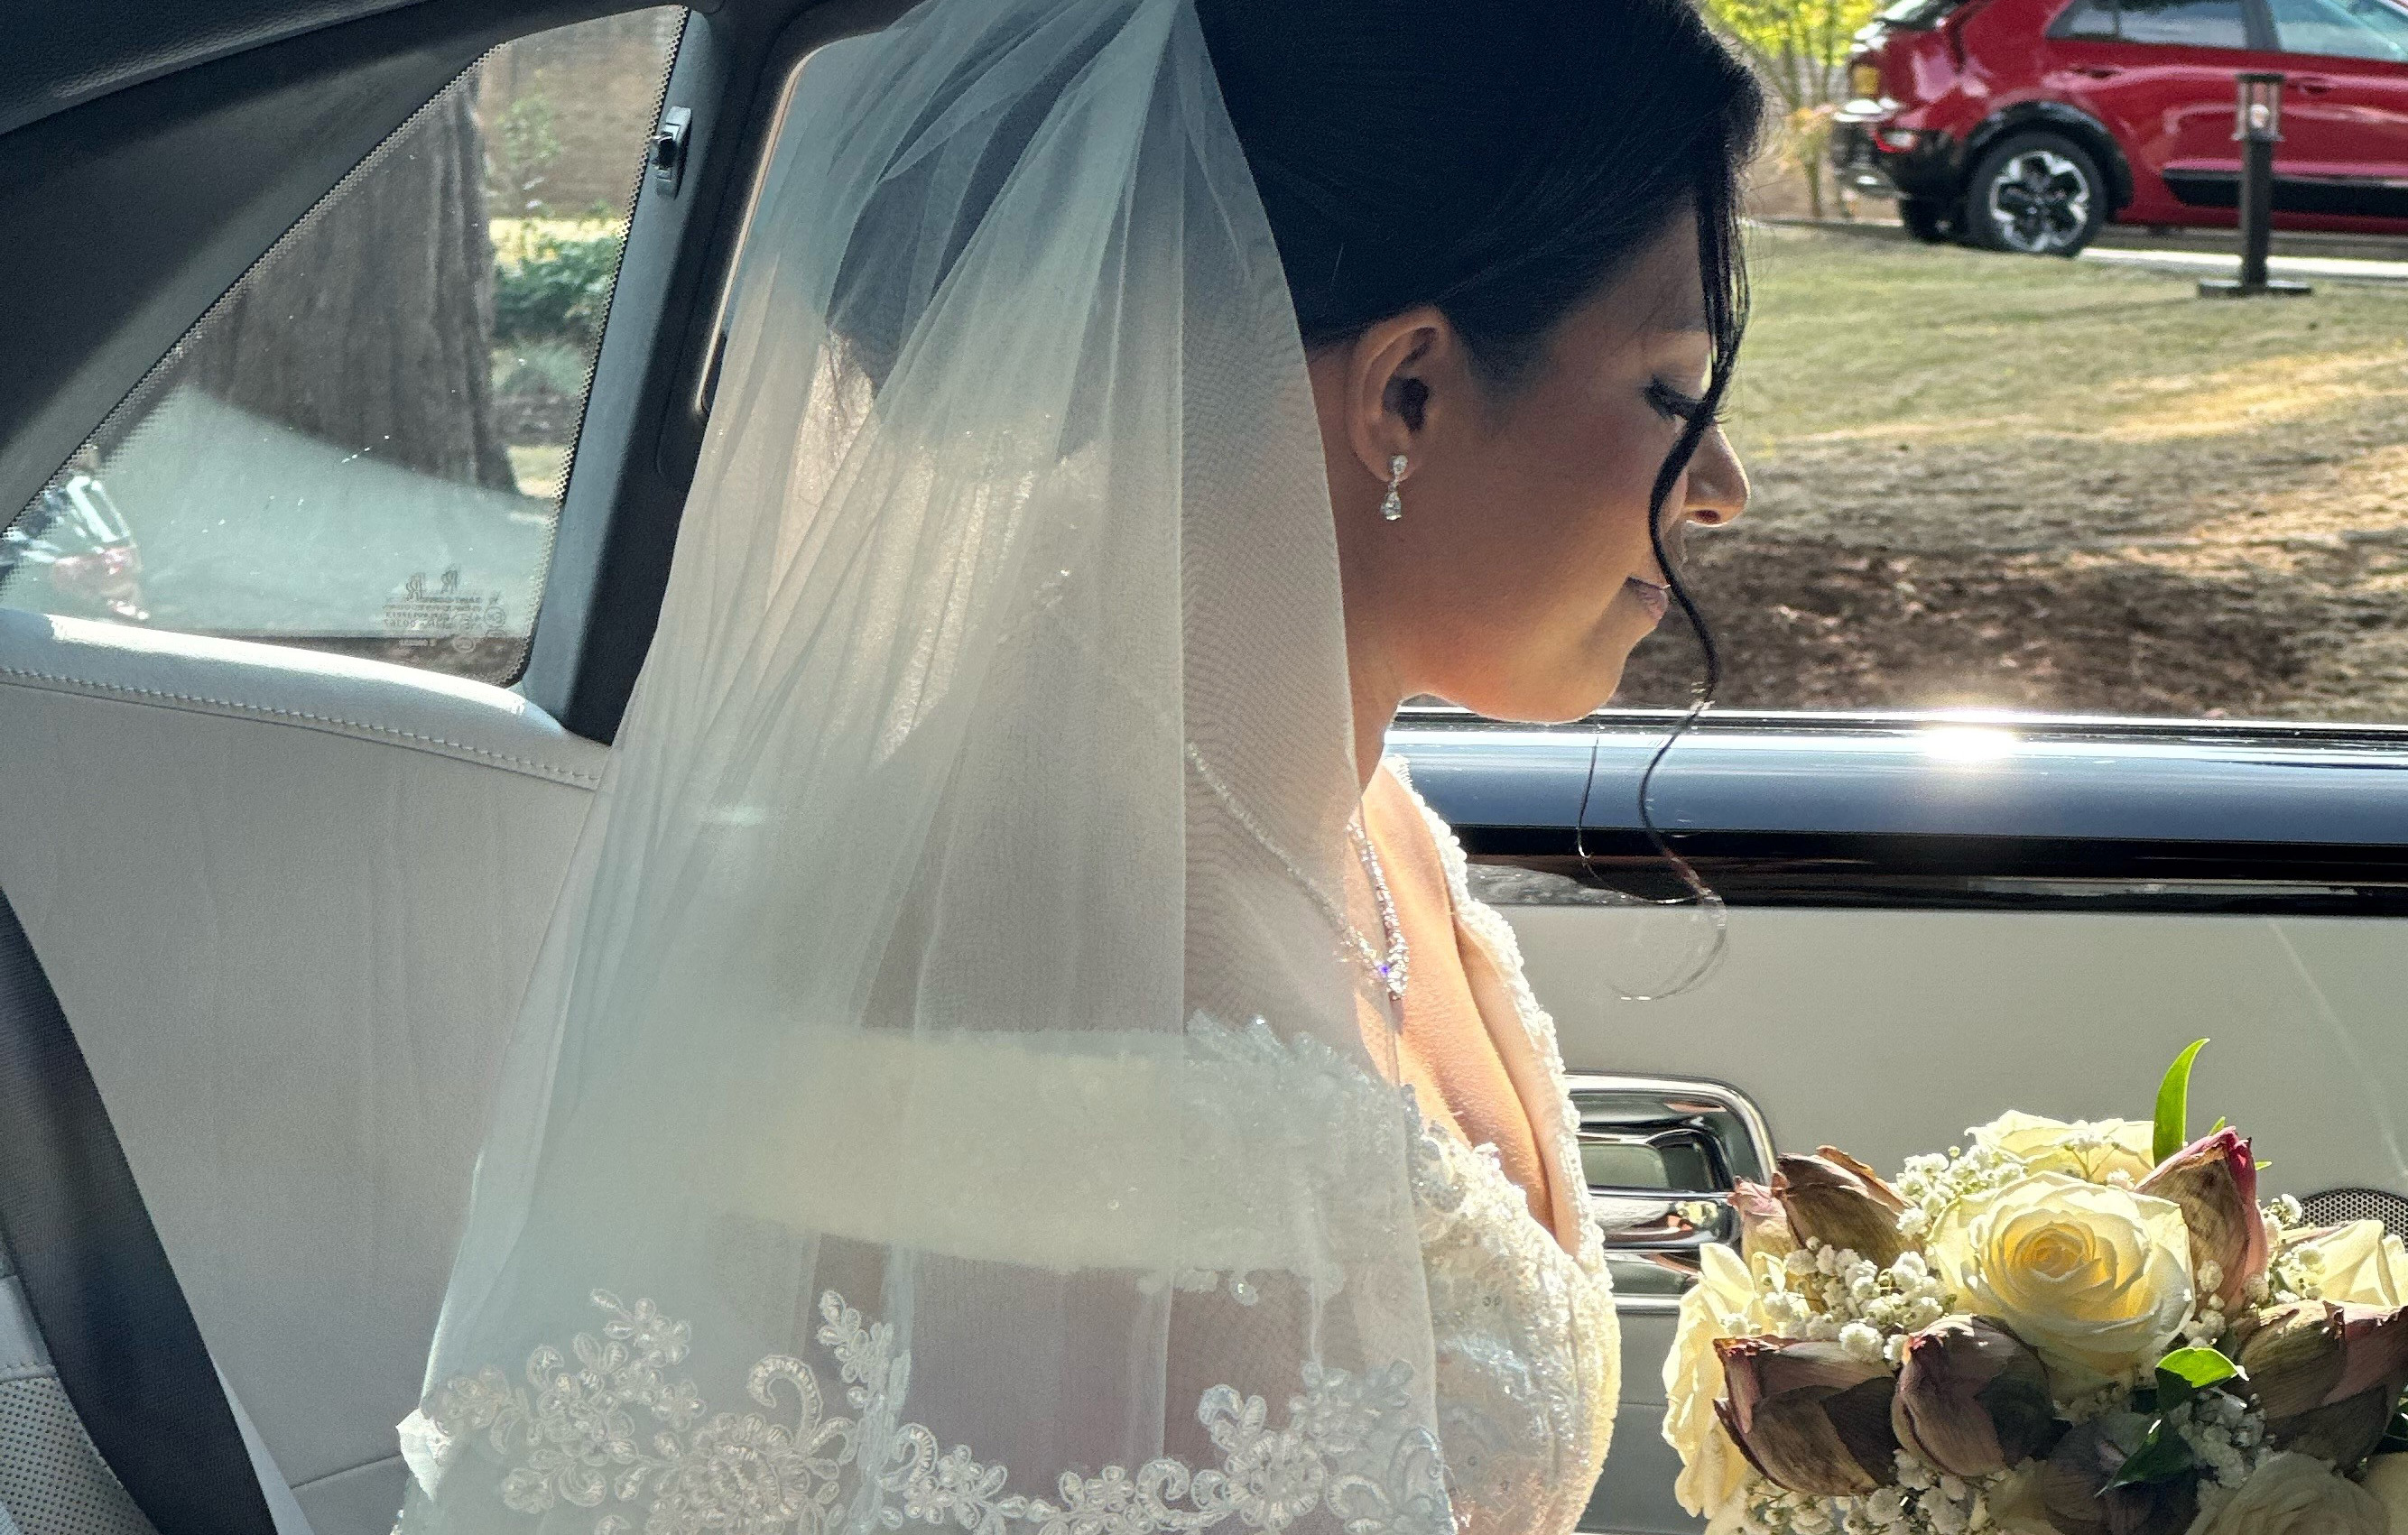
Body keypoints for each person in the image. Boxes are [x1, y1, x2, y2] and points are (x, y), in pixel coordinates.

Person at [394, 2, 1755, 1532]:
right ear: (1409, 395)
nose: (1723, 485)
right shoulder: (1083, 969)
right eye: (1669, 392)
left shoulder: (1366, 819)